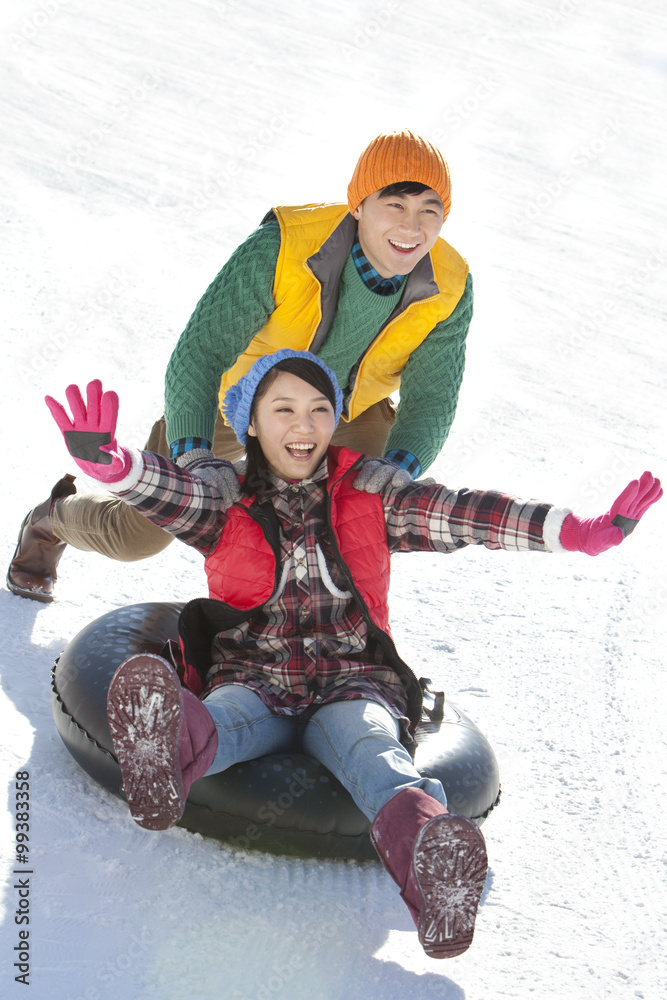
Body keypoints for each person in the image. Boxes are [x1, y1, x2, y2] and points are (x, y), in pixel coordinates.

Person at [43, 353, 661, 960]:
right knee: (227, 716)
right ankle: (164, 748)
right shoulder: (223, 501)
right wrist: (115, 466)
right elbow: (169, 494)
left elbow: (464, 514)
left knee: (372, 745)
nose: (304, 425)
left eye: (319, 409)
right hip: (257, 675)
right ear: (251, 423)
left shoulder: (370, 495)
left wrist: (575, 530)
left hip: (354, 682)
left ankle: (431, 859)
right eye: (283, 408)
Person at [8, 129, 474, 603]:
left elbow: (432, 395)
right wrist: (194, 454)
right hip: (236, 398)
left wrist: (401, 463)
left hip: (347, 410)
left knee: (353, 519)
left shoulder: (451, 285)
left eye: (429, 211)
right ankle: (52, 519)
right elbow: (201, 352)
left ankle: (320, 640)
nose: (412, 228)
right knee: (138, 536)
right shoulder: (284, 246)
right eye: (396, 205)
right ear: (359, 204)